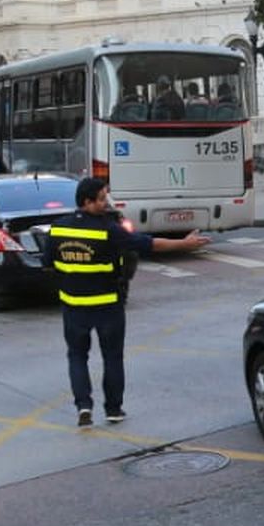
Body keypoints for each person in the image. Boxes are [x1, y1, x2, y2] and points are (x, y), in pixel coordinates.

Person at [46, 176, 209, 427]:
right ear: (87, 202)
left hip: (73, 306)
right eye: (101, 199)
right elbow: (150, 244)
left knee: (77, 357)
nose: (105, 204)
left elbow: (50, 265)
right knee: (112, 357)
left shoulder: (58, 229)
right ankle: (113, 409)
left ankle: (83, 407)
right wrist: (185, 244)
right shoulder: (108, 230)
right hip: (107, 306)